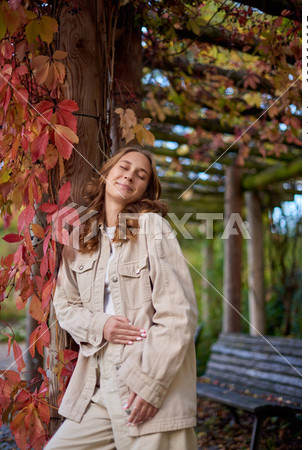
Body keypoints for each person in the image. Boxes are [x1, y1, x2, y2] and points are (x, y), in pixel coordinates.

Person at [45, 146, 198, 449]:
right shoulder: (80, 238)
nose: (130, 176)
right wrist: (101, 325)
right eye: (124, 168)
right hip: (98, 383)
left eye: (141, 175)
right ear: (106, 174)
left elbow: (179, 314)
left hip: (146, 372)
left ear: (145, 189)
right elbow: (64, 305)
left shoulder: (151, 227)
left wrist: (152, 386)